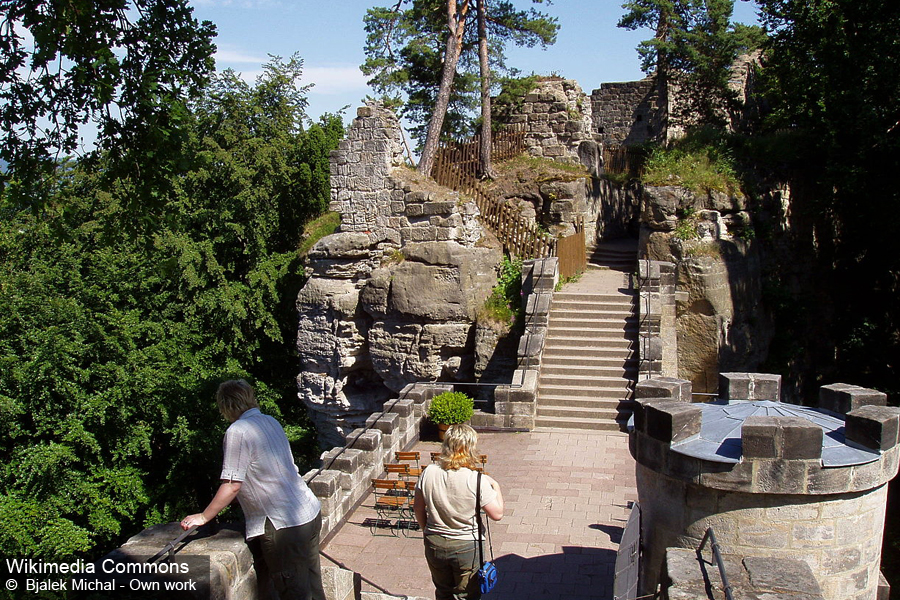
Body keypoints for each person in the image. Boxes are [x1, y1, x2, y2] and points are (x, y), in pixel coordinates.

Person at [181, 379, 325, 600]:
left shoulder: (238, 431)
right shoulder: (270, 421)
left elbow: (232, 484)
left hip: (283, 524)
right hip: (308, 511)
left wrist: (203, 516)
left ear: (226, 405)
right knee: (313, 588)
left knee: (294, 592)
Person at [414, 423, 504, 600]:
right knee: (466, 595)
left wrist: (426, 530)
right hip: (466, 545)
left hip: (435, 541)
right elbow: (497, 514)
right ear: (470, 448)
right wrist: (497, 486)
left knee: (443, 591)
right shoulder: (477, 480)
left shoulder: (429, 472)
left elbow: (418, 507)